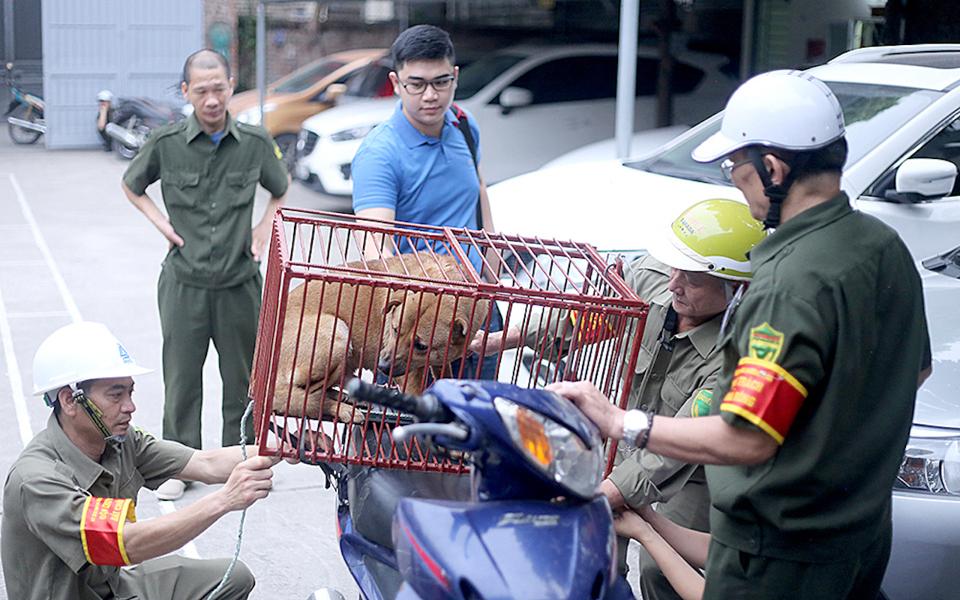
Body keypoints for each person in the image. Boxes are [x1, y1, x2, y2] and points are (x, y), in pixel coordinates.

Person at [550, 69, 932, 600]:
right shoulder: (883, 247)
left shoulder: (788, 280)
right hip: (859, 536)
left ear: (772, 168)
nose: (733, 179)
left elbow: (745, 436)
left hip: (777, 555)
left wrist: (621, 421)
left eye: (736, 166)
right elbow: (915, 371)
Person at [472, 198, 765, 600]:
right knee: (592, 552)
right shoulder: (654, 278)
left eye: (693, 279)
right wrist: (504, 340)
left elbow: (674, 451)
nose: (675, 283)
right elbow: (588, 313)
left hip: (693, 466)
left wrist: (608, 494)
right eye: (675, 267)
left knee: (663, 573)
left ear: (736, 289)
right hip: (618, 437)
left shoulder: (740, 353)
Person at [1, 321, 281, 600]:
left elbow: (206, 463)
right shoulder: (37, 479)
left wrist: (288, 446)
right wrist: (225, 500)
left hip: (113, 588)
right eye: (115, 395)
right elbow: (125, 543)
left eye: (130, 392)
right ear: (69, 400)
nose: (130, 406)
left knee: (232, 579)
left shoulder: (119, 441)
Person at [121, 49, 289, 500]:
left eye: (219, 88)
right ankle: (179, 465)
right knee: (181, 378)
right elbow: (132, 185)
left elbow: (281, 188)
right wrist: (161, 223)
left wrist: (262, 228)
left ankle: (245, 461)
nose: (212, 99)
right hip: (183, 282)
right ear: (186, 92)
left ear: (231, 85)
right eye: (201, 91)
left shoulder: (254, 142)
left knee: (244, 379)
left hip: (240, 282)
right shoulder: (167, 142)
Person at [351, 24, 500, 381]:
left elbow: (479, 197)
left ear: (456, 76)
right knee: (409, 431)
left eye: (441, 81)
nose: (430, 95)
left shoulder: (465, 126)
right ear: (397, 82)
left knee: (475, 424)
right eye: (416, 84)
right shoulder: (379, 153)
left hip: (476, 308)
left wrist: (493, 280)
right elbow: (374, 243)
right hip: (417, 323)